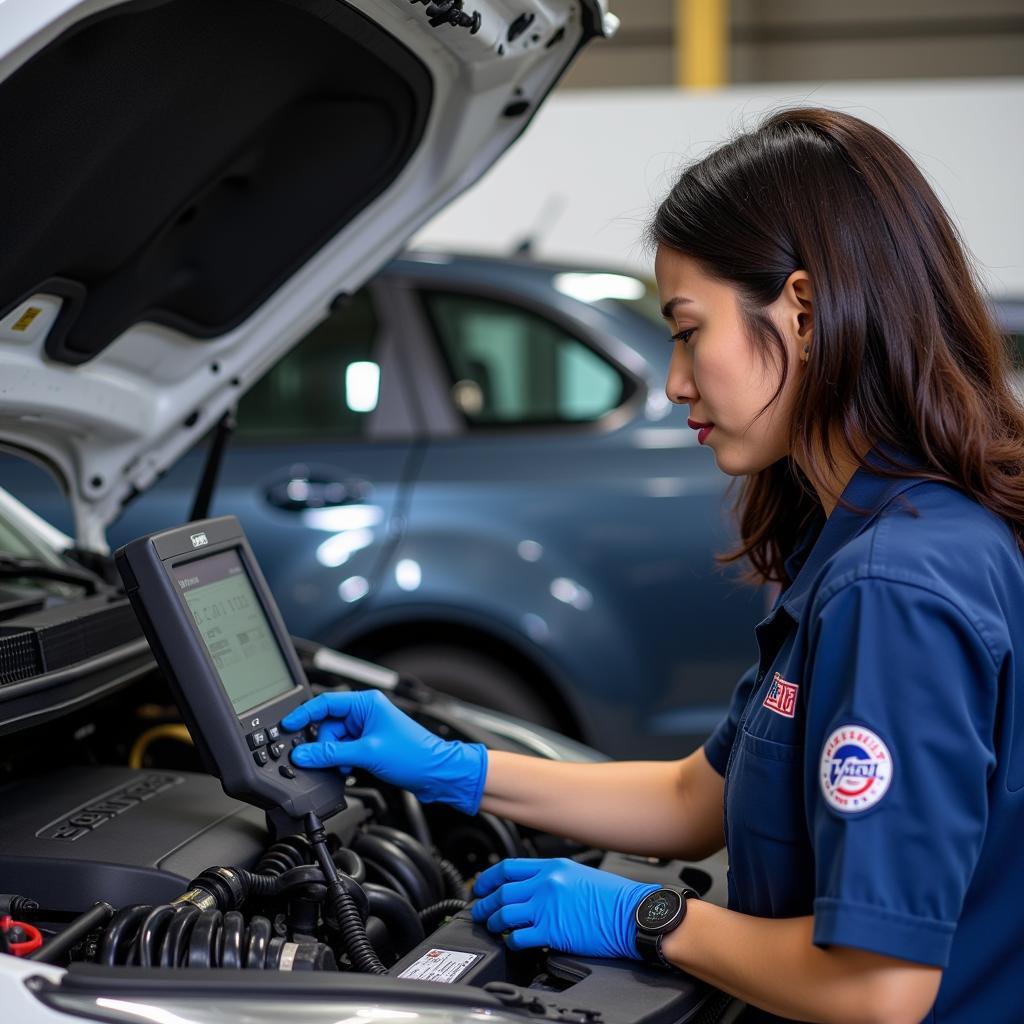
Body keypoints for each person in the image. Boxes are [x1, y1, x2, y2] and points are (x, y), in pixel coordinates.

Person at [280, 108, 1024, 1024]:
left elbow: (878, 989)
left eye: (685, 328)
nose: (674, 382)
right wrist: (449, 766)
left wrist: (650, 917)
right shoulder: (872, 541)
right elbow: (692, 799)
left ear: (804, 309)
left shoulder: (895, 588)